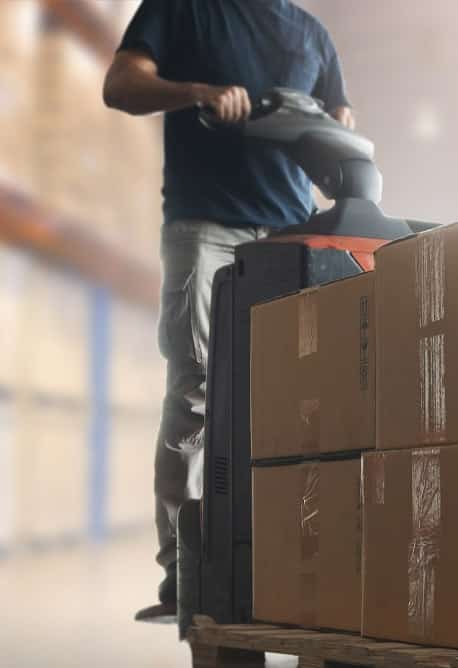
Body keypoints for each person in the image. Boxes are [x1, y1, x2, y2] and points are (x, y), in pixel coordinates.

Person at [102, 0, 354, 621]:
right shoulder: (183, 10)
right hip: (204, 225)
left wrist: (336, 131)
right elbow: (121, 84)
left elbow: (342, 124)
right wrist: (197, 92)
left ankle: (291, 565)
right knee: (196, 391)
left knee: (299, 400)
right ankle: (184, 573)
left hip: (291, 235)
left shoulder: (312, 35)